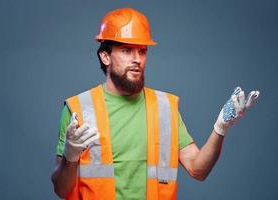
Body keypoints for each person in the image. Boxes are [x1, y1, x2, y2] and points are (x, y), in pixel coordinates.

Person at [51, 7, 260, 200]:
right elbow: (62, 190)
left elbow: (198, 169)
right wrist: (70, 156)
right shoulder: (78, 109)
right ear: (105, 56)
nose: (137, 59)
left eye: (142, 51)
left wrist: (220, 128)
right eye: (127, 51)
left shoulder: (165, 108)